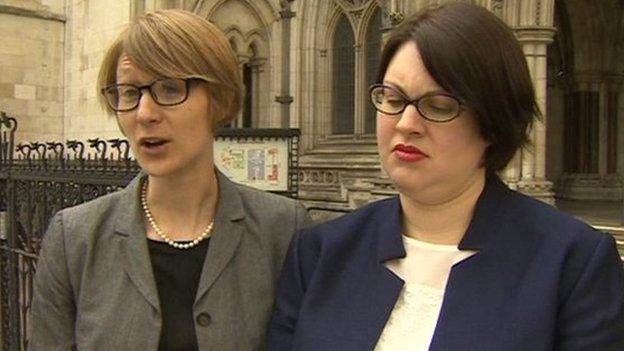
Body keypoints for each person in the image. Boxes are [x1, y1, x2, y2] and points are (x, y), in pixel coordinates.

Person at [266, 2, 624, 351]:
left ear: (494, 121)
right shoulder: (320, 252)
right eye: (392, 100)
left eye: (438, 106)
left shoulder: (573, 264)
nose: (406, 123)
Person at [28, 9, 311, 350]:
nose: (144, 113)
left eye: (169, 88)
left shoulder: (283, 229)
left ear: (219, 100)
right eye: (130, 93)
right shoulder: (74, 238)